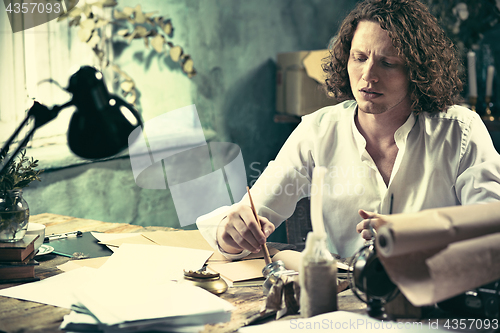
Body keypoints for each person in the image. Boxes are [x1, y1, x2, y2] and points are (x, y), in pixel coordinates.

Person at [196, 0, 500, 260]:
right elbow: (252, 215)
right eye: (360, 58)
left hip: (437, 304)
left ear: (416, 71)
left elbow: (491, 227)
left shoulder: (460, 131)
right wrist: (231, 232)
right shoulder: (318, 130)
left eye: (388, 63)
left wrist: (414, 235)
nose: (368, 76)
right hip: (343, 306)